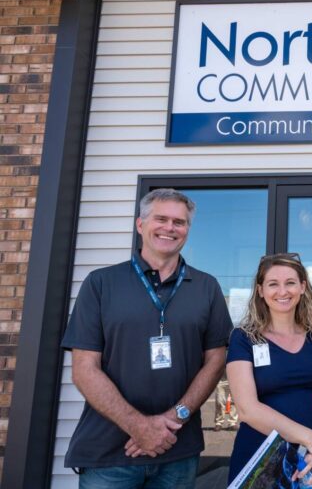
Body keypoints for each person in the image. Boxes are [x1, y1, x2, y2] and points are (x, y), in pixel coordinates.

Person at [61, 188, 233, 488]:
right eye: (161, 219)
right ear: (140, 225)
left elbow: (216, 361)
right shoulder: (101, 284)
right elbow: (84, 369)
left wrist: (175, 418)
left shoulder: (207, 287)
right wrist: (140, 427)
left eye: (179, 222)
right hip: (109, 454)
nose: (170, 227)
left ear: (187, 230)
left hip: (178, 451)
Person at [227, 252, 312, 486]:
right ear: (260, 290)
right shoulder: (243, 339)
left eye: (290, 283)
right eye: (273, 284)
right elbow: (247, 409)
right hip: (261, 460)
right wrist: (309, 438)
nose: (282, 291)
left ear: (302, 287)